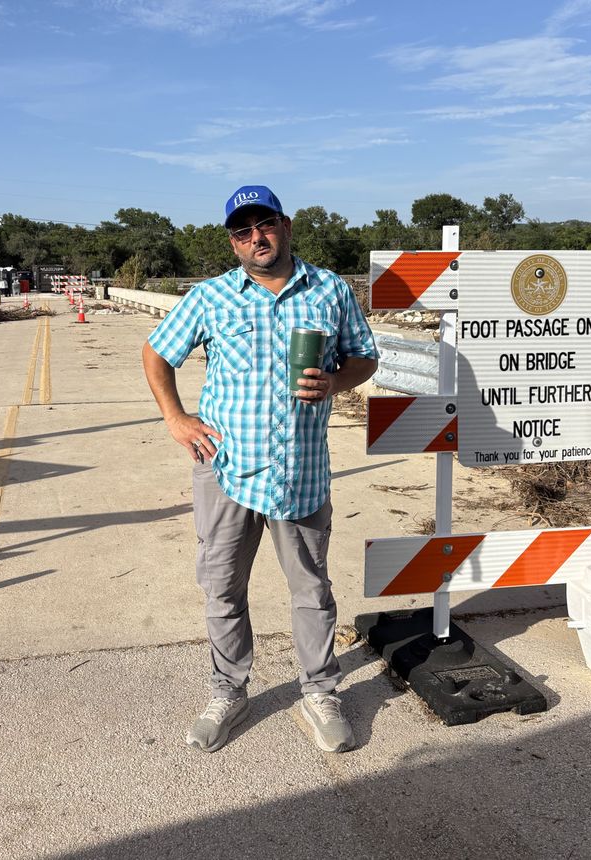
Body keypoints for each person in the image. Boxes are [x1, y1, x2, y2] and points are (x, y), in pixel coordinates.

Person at [141, 185, 378, 754]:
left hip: (300, 469)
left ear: (286, 225)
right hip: (225, 467)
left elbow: (363, 356)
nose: (256, 238)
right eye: (243, 231)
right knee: (222, 586)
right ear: (232, 239)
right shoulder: (211, 297)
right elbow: (156, 353)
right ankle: (228, 691)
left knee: (311, 589)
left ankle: (321, 692)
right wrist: (176, 418)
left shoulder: (329, 289)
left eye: (264, 225)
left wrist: (336, 381)